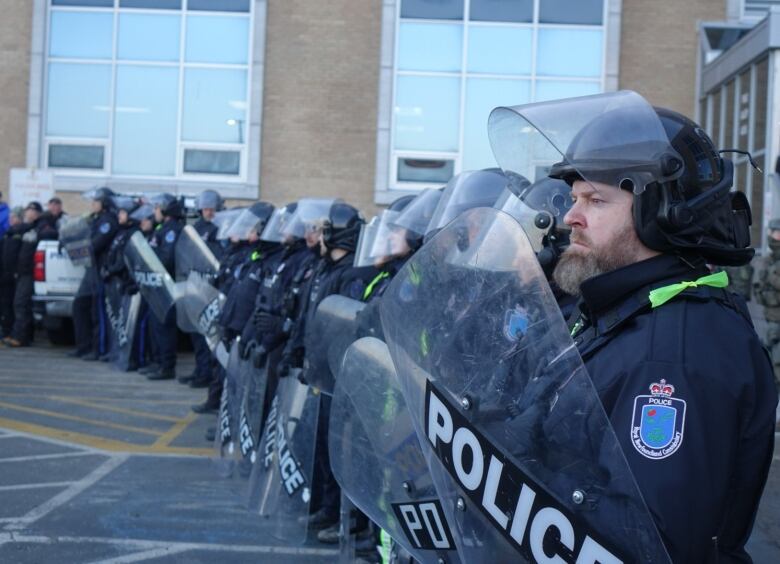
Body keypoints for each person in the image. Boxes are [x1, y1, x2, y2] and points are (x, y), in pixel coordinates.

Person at [505, 93, 778, 561]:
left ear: (661, 213)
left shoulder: (675, 357)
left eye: (595, 199)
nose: (571, 216)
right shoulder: (625, 313)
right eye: (573, 198)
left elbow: (639, 542)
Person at [179, 190, 223, 388]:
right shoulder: (197, 227)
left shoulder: (221, 227)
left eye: (211, 209)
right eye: (205, 209)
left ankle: (206, 374)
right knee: (196, 333)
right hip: (196, 284)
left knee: (208, 334)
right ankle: (199, 369)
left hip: (212, 287)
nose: (208, 212)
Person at [2, 202, 58, 347]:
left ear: (38, 213)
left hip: (29, 272)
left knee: (21, 304)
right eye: (28, 210)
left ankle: (21, 337)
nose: (30, 212)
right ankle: (16, 334)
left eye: (33, 210)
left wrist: (36, 232)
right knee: (17, 304)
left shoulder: (41, 225)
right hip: (20, 272)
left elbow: (51, 233)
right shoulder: (24, 228)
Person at [145, 193, 185, 381]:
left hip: (167, 286)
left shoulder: (172, 230)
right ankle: (158, 362)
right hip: (157, 286)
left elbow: (167, 259)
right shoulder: (161, 228)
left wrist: (152, 261)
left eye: (156, 208)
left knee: (164, 327)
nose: (154, 212)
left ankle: (167, 367)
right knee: (156, 327)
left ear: (165, 210)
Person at [753, 218, 780, 386]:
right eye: (774, 233)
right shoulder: (767, 260)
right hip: (770, 318)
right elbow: (758, 291)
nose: (776, 237)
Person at [0, 207, 23, 338]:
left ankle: (9, 331)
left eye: (13, 218)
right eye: (10, 218)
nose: (10, 220)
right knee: (5, 304)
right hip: (4, 275)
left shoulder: (20, 233)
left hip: (12, 275)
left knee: (10, 304)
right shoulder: (7, 234)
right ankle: (6, 330)